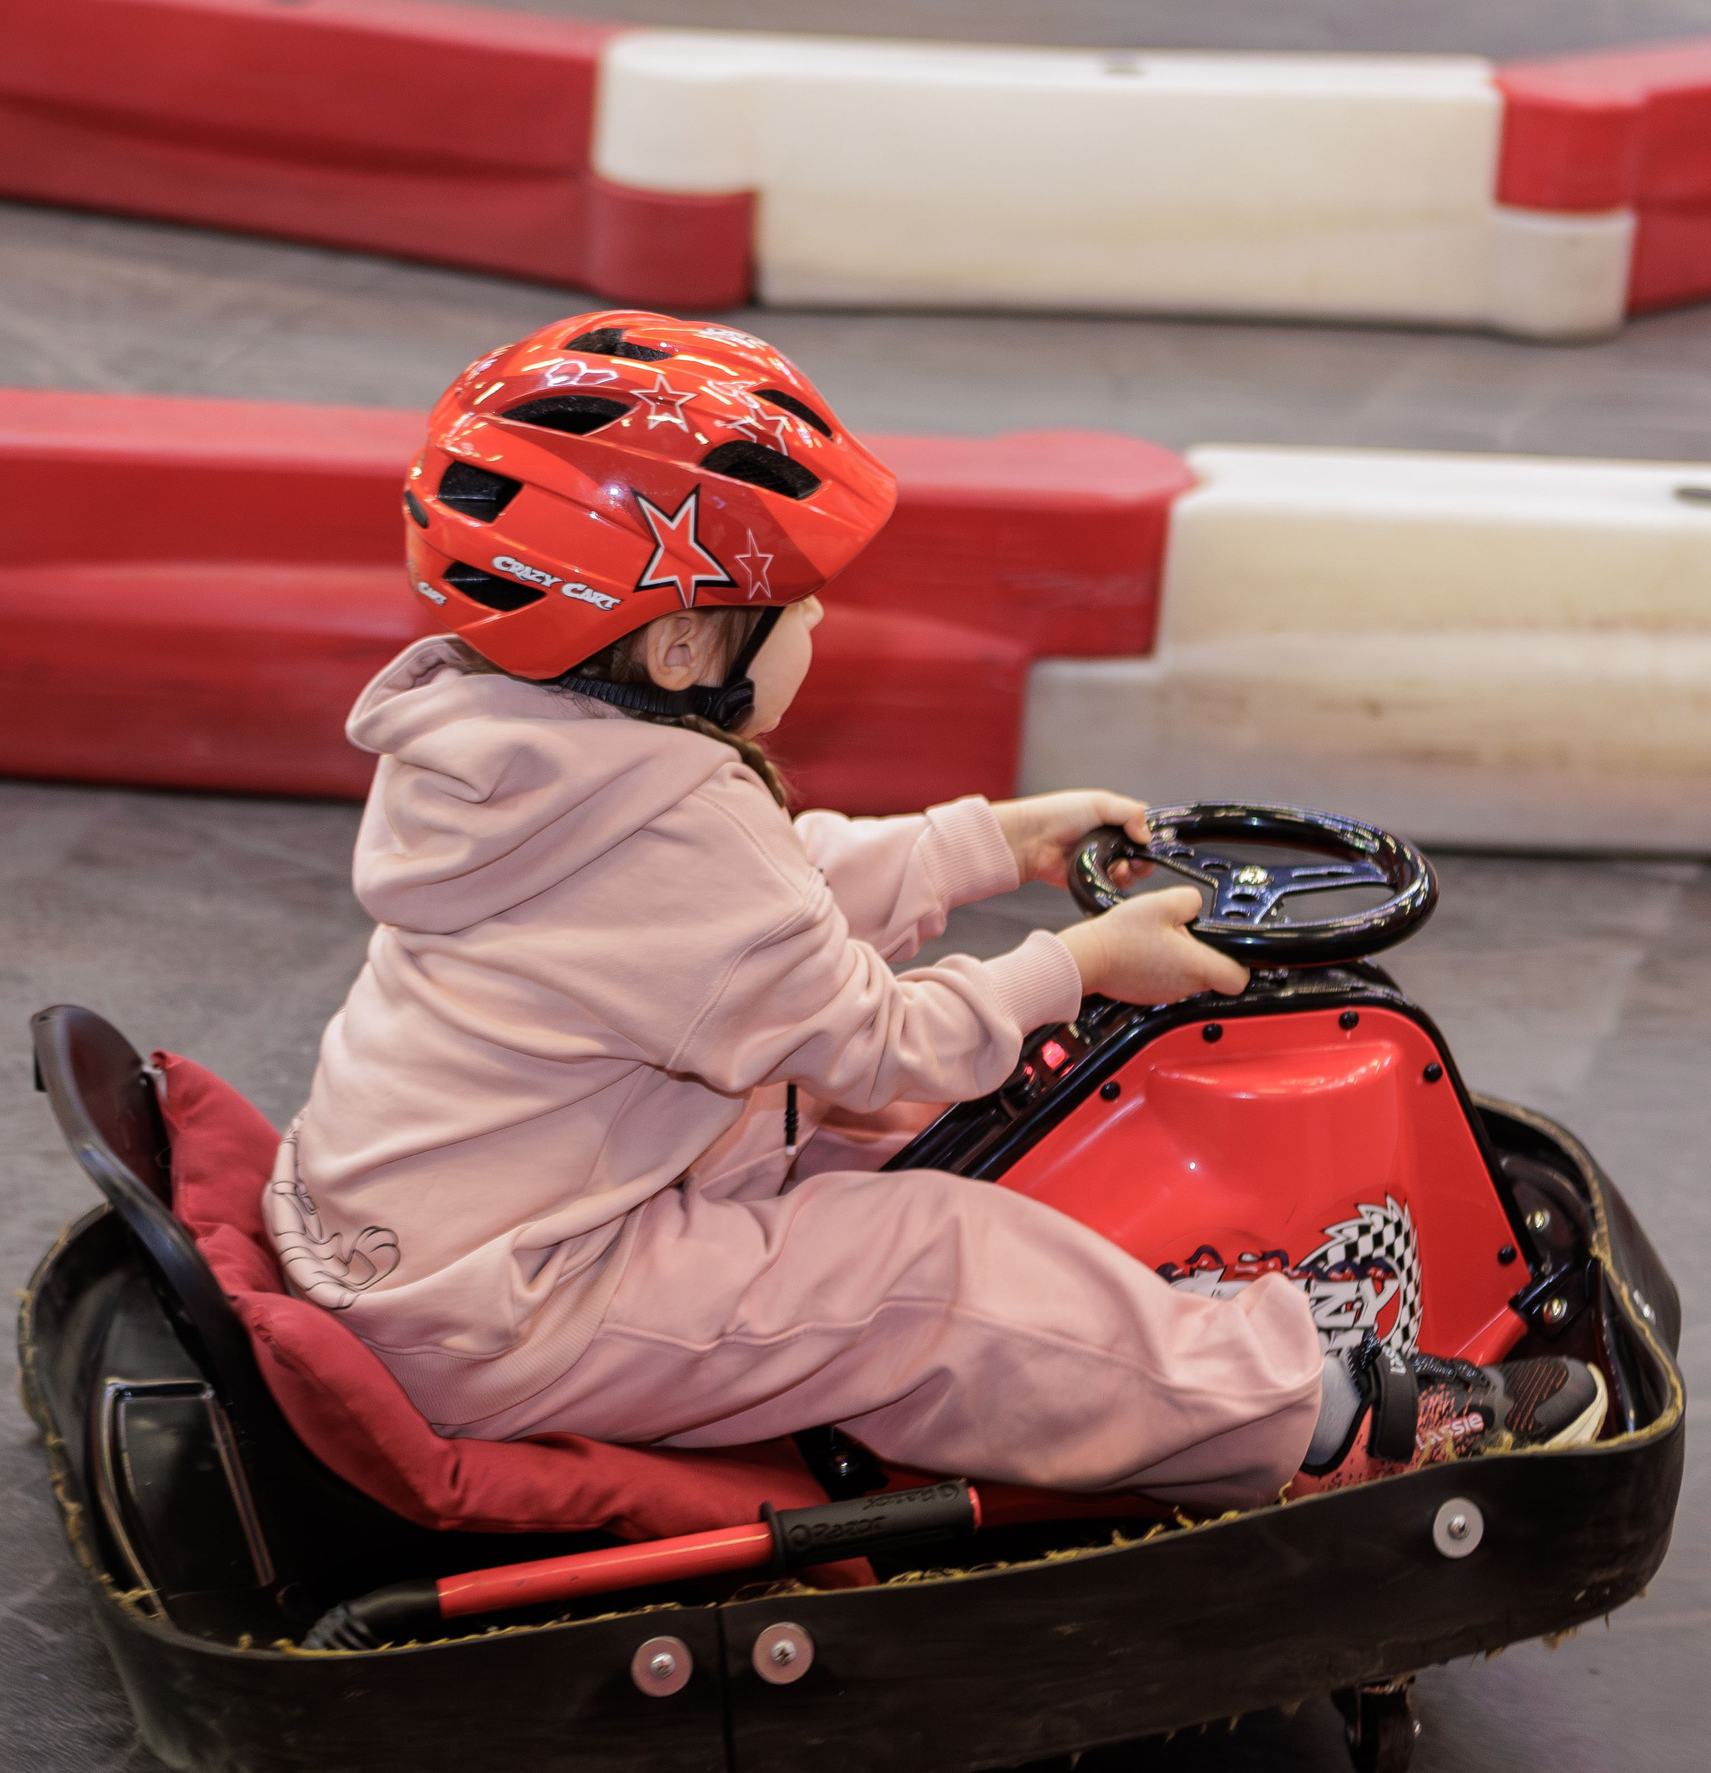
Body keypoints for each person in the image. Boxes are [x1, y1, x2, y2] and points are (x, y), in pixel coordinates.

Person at [269, 311, 1600, 1513]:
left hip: (424, 1233)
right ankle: (1321, 1418)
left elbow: (757, 904)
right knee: (928, 1262)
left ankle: (1123, 1337)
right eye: (795, 606)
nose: (818, 625)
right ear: (682, 649)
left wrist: (996, 842)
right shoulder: (670, 821)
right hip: (511, 1305)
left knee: (907, 1130)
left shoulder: (503, 740)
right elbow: (875, 1036)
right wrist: (1075, 964)